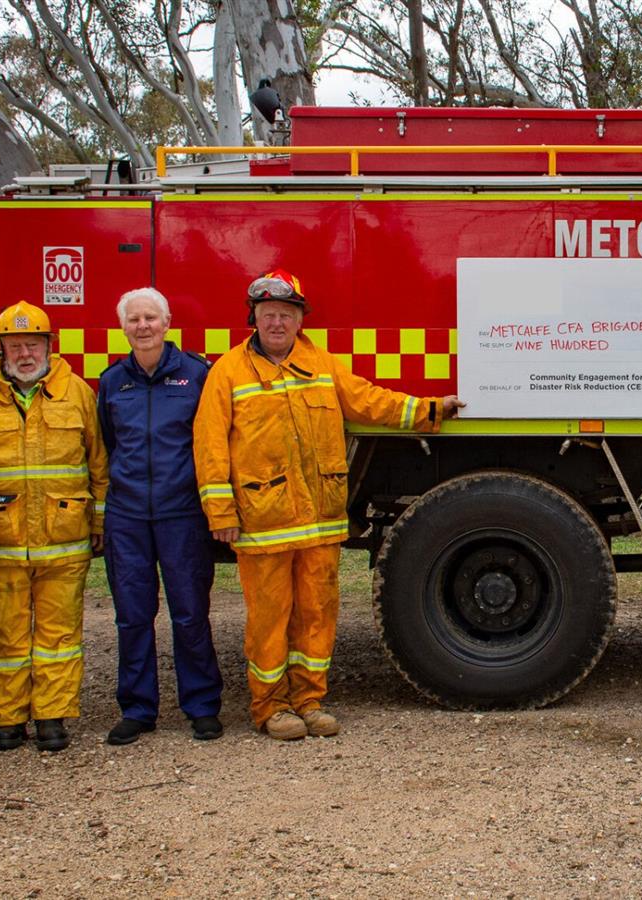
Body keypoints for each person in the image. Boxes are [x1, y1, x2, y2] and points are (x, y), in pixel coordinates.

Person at [193, 269, 464, 741]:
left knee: (318, 614)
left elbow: (368, 402)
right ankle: (270, 706)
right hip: (264, 524)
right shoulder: (228, 372)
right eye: (268, 314)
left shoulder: (322, 364)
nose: (276, 323)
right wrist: (220, 513)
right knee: (269, 619)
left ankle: (309, 700)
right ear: (253, 318)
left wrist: (428, 410)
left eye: (286, 314)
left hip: (319, 520)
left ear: (300, 320)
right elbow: (210, 444)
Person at [0, 301, 109, 753]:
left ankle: (51, 716)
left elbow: (97, 463)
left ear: (48, 345)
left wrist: (98, 521)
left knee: (59, 635)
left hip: (63, 538)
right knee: (4, 633)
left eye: (33, 343)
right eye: (14, 345)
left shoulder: (77, 391)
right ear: (0, 348)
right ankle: (7, 718)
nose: (24, 353)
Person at [98, 288, 223, 745]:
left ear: (167, 322)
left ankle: (202, 706)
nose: (143, 326)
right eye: (134, 319)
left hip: (181, 513)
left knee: (190, 614)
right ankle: (137, 709)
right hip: (128, 517)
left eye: (151, 317)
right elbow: (109, 443)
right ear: (124, 327)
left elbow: (211, 440)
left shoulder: (196, 375)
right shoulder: (113, 381)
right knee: (132, 616)